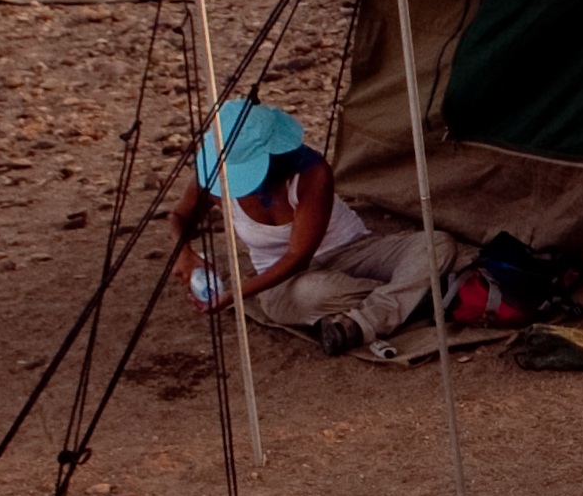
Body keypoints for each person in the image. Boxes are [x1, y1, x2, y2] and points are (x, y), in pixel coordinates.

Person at [159, 100, 454, 358]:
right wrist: (183, 252)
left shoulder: (312, 172)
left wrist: (235, 293)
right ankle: (415, 299)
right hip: (284, 282)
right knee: (312, 293)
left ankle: (362, 322)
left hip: (352, 251)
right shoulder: (215, 177)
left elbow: (298, 254)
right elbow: (179, 216)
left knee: (437, 245)